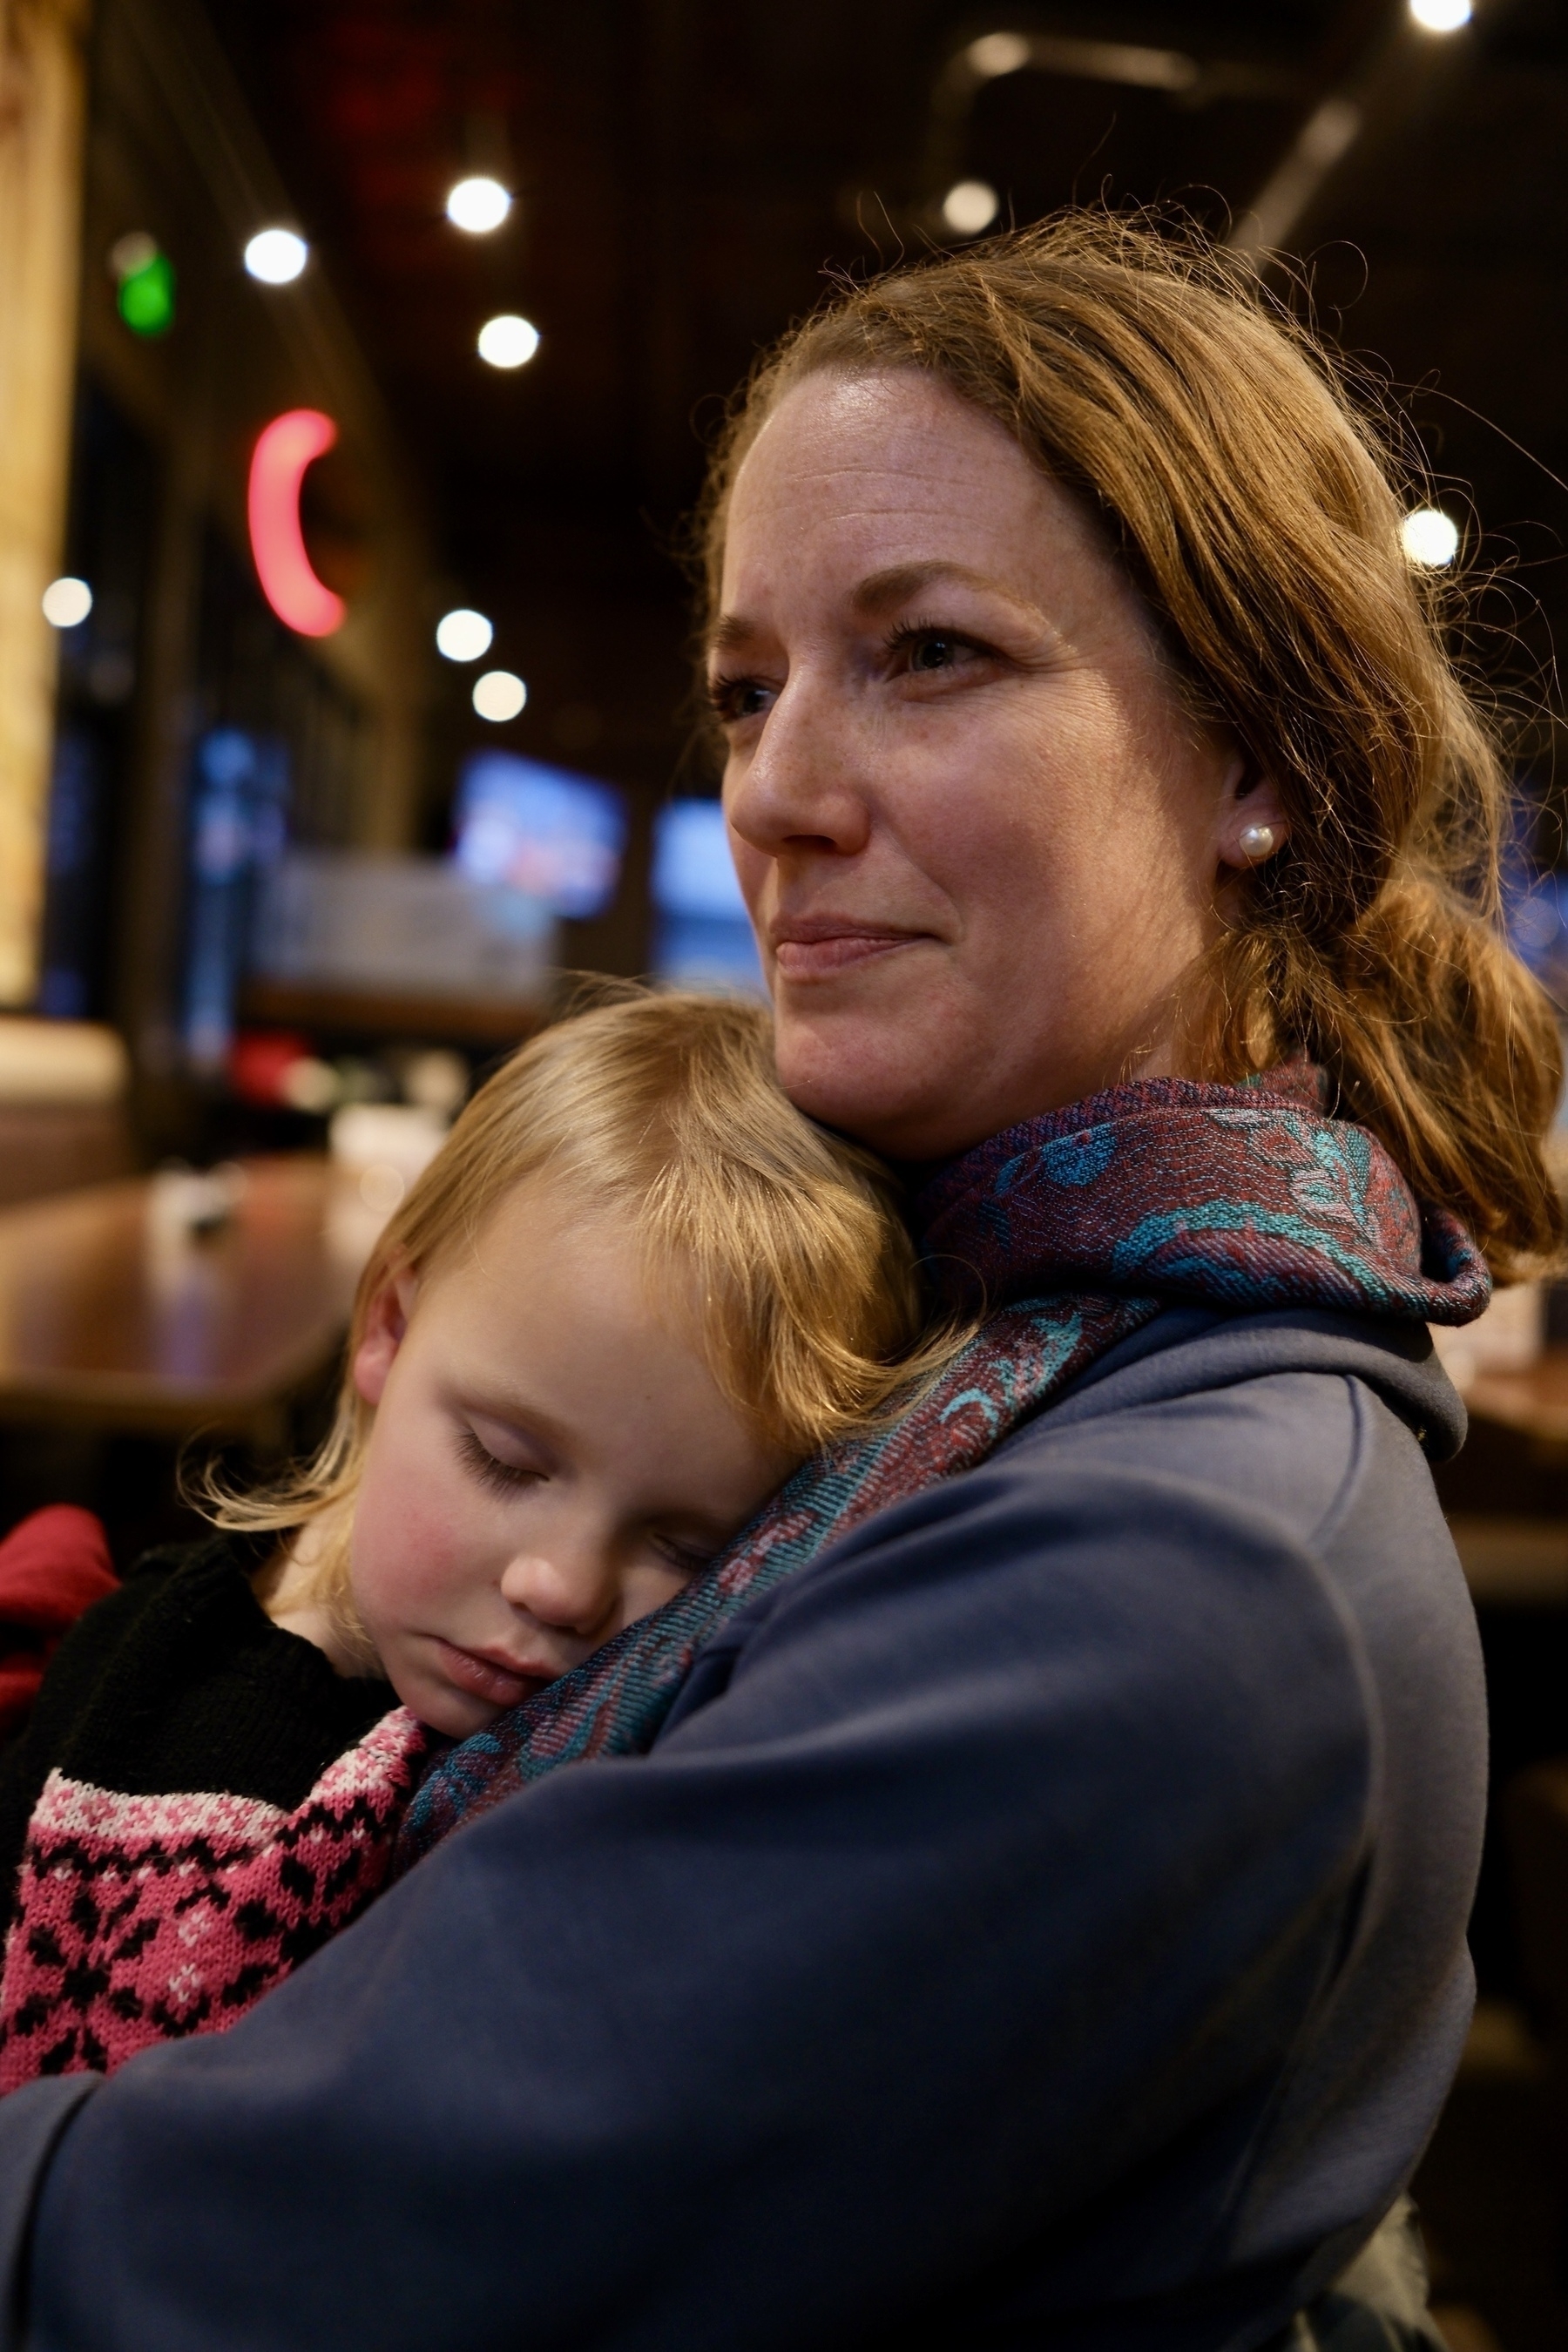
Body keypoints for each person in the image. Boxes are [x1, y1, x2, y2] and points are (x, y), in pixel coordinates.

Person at [0, 210, 1554, 2352]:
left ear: (1259, 763)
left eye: (930, 652)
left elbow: (267, 2263)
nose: (775, 791)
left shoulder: (1179, 1563)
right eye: (749, 686)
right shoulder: (999, 1319)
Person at [0, 991, 945, 2086]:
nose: (561, 1587)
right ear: (389, 1330)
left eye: (688, 1548)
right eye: (505, 1460)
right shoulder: (138, 1658)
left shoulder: (619, 1796)